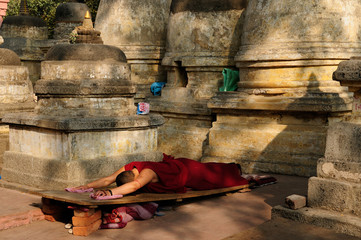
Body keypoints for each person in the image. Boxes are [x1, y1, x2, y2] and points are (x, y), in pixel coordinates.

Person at [72, 154, 249, 197]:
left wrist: (110, 193)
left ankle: (236, 169)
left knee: (217, 178)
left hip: (189, 171)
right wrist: (85, 186)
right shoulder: (131, 167)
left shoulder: (146, 173)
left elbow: (134, 186)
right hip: (184, 166)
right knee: (212, 172)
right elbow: (108, 179)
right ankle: (233, 168)